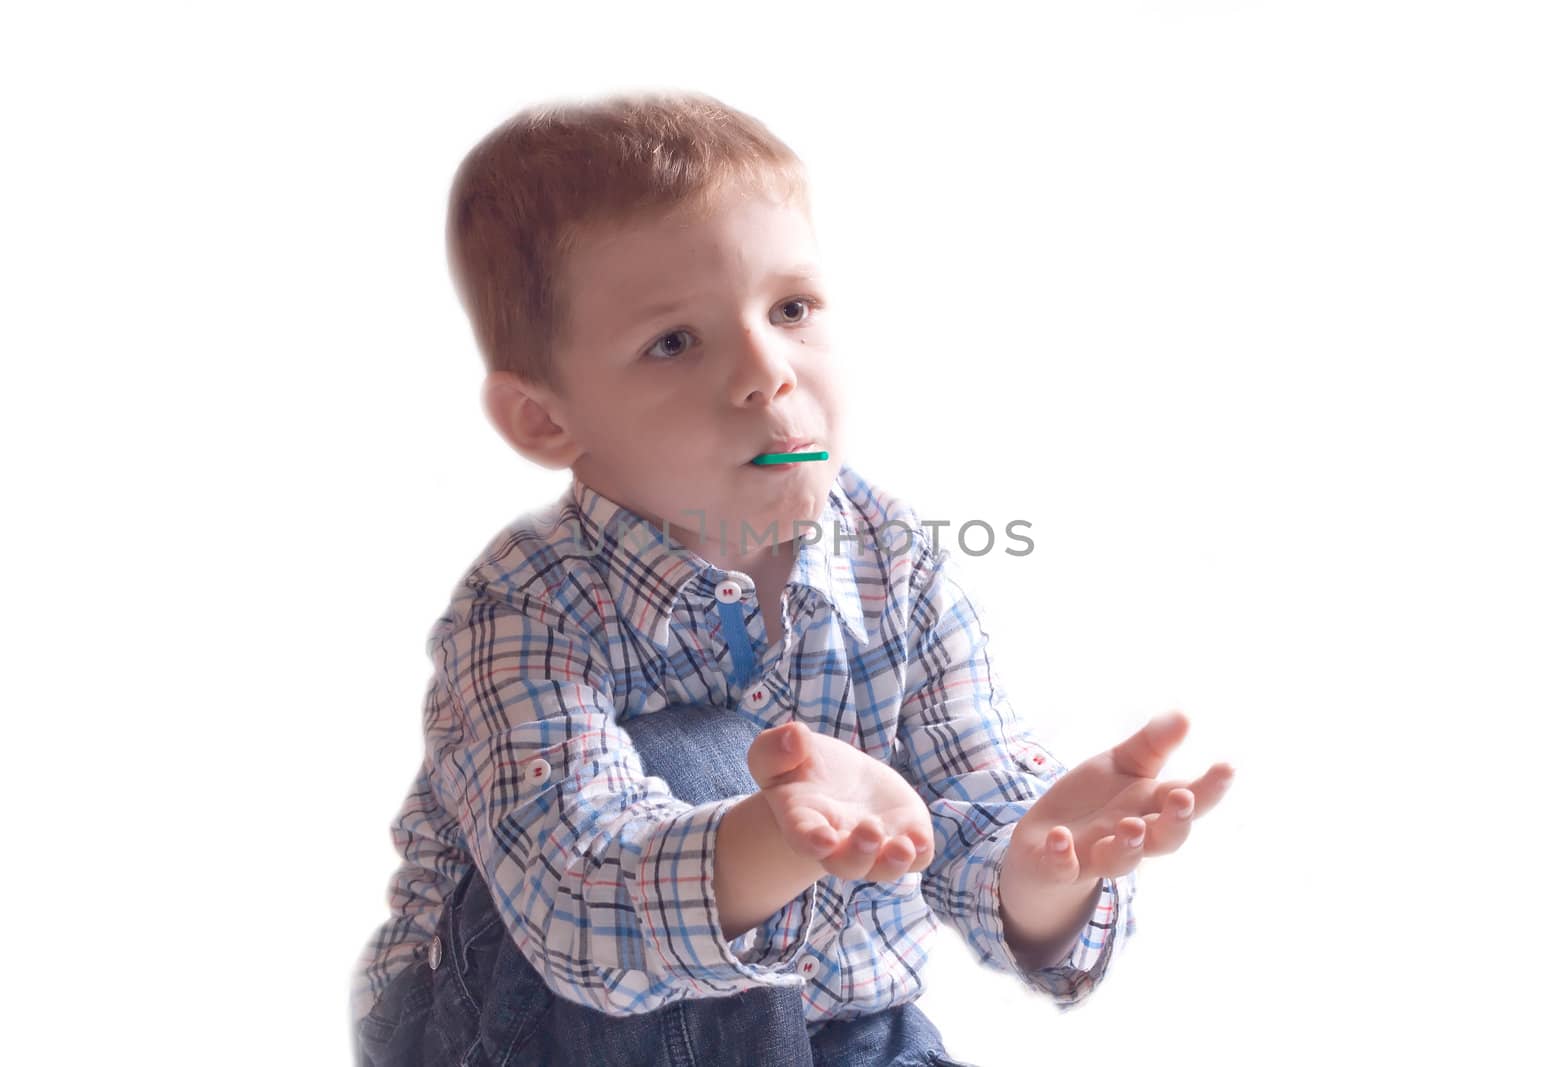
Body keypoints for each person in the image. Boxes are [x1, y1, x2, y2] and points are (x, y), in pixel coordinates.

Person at [349, 89, 1234, 1067]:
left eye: (791, 309)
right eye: (674, 341)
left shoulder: (888, 555)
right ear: (547, 421)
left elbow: (969, 798)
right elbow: (573, 898)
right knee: (706, 754)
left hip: (833, 1020)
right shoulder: (527, 602)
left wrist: (1041, 865)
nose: (765, 369)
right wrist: (774, 837)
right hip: (525, 1017)